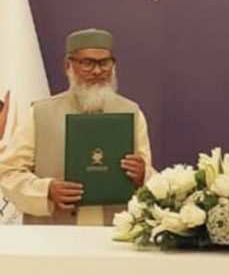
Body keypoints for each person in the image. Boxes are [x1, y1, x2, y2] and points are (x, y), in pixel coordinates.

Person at [0, 28, 154, 225]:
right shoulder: (39, 113)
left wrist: (143, 175)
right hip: (54, 234)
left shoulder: (132, 113)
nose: (97, 71)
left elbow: (150, 178)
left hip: (115, 233)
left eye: (104, 63)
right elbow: (8, 172)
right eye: (88, 63)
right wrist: (47, 190)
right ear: (68, 65)